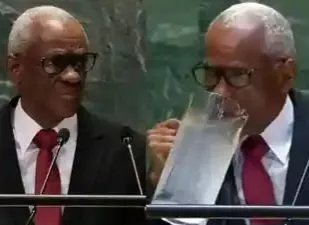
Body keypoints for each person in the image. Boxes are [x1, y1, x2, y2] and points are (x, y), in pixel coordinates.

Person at [147, 2, 309, 225]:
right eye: (212, 73)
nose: (220, 91)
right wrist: (168, 189)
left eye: (238, 74)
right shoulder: (193, 147)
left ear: (285, 75)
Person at [0, 5, 145, 225]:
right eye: (56, 63)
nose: (73, 76)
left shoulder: (126, 151)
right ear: (16, 68)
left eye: (79, 63)